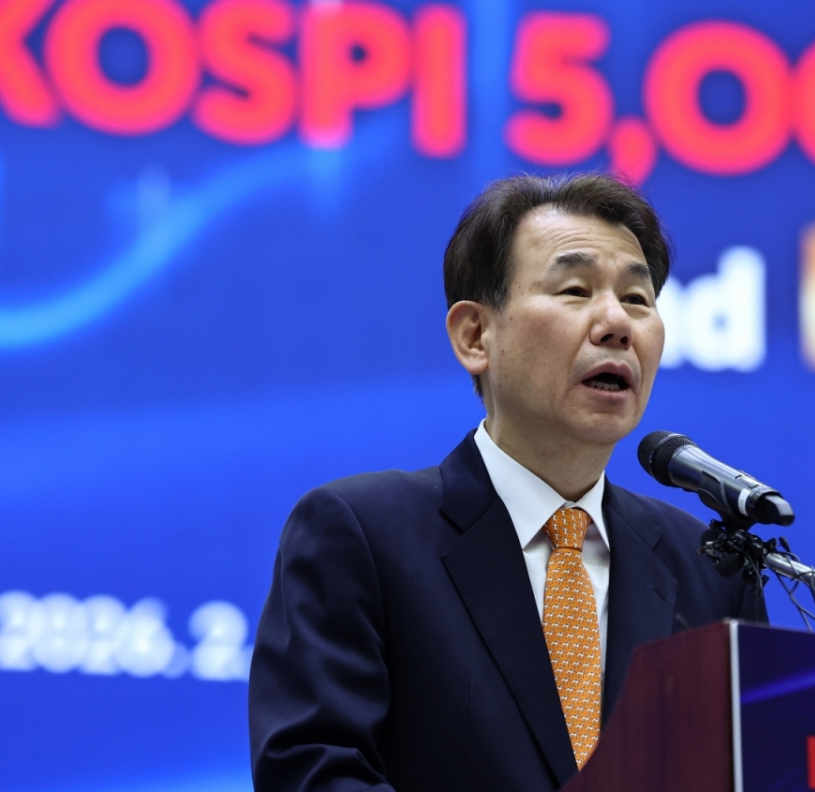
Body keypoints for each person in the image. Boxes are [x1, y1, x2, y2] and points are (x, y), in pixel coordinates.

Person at [248, 174, 766, 792]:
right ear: (475, 336)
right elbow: (315, 772)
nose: (616, 323)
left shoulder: (711, 571)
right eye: (575, 290)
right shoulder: (361, 537)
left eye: (637, 298)